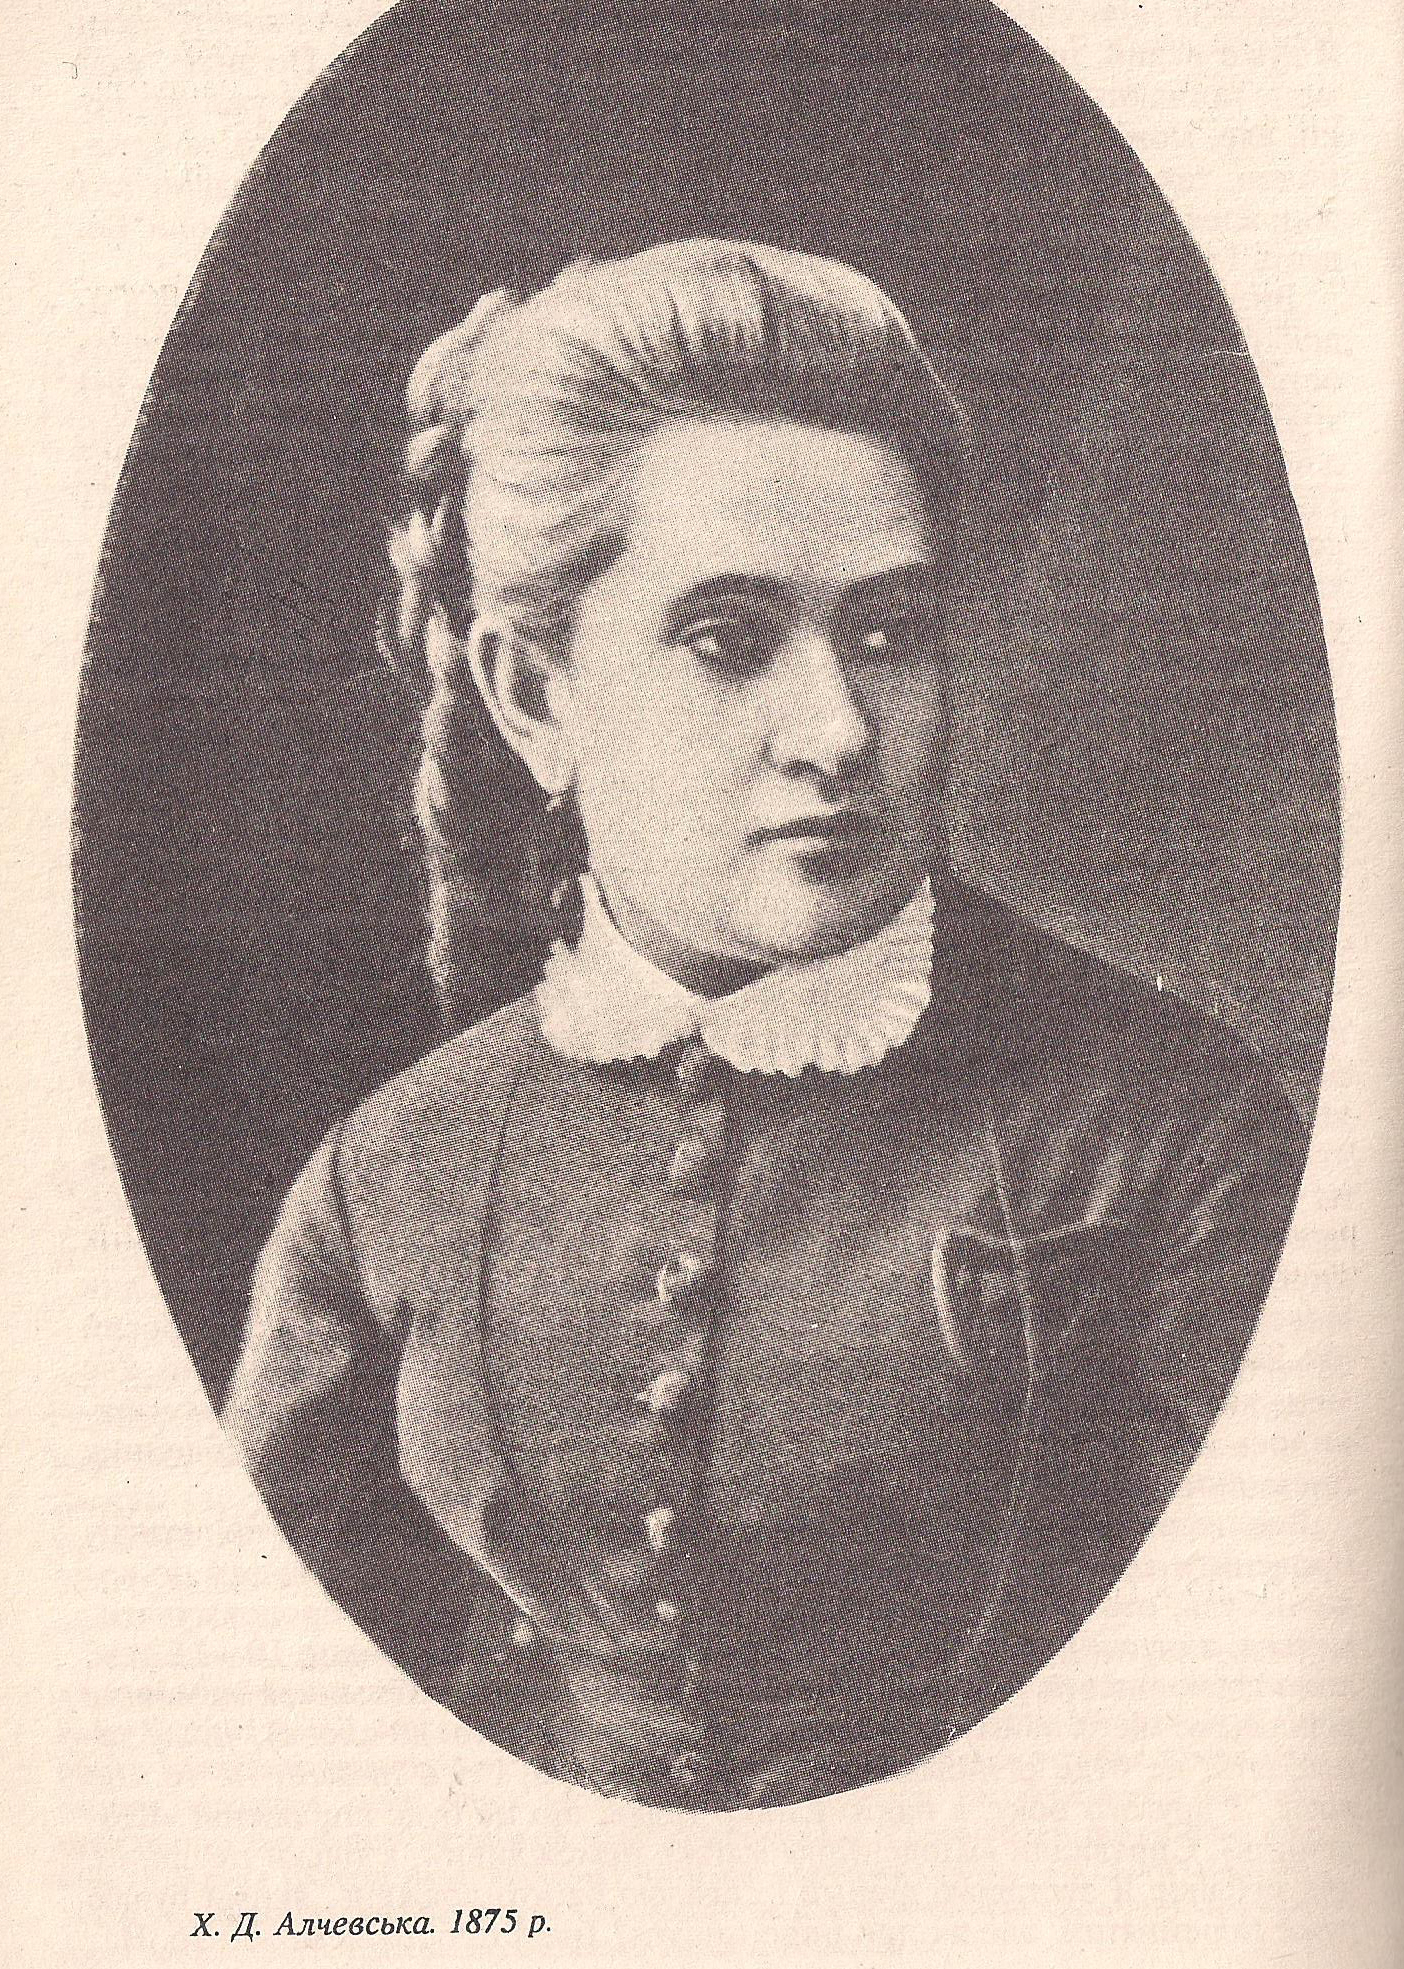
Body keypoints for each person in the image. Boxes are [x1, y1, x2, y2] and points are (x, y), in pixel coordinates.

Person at [222, 239, 1307, 1809]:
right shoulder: (386, 1176)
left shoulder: (1178, 1133)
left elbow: (1256, 1726)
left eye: (890, 633)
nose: (840, 729)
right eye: (731, 640)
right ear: (536, 698)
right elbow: (248, 1729)